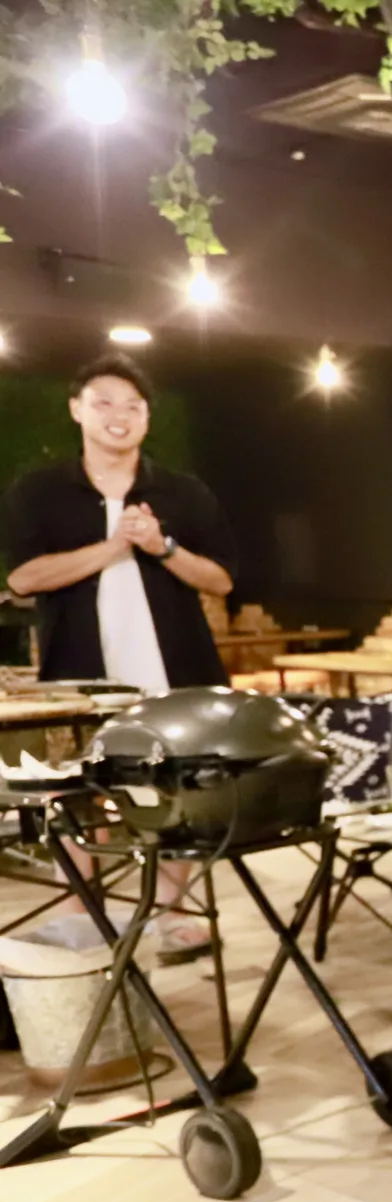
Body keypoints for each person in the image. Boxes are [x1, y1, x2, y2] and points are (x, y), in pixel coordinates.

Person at [4, 354, 242, 958]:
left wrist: (161, 546)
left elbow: (221, 580)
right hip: (77, 678)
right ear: (77, 410)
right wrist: (113, 547)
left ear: (146, 418)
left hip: (176, 672)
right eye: (104, 402)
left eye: (133, 405)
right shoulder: (40, 491)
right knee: (75, 794)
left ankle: (173, 911)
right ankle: (83, 915)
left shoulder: (182, 492)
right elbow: (24, 578)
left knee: (182, 790)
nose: (120, 415)